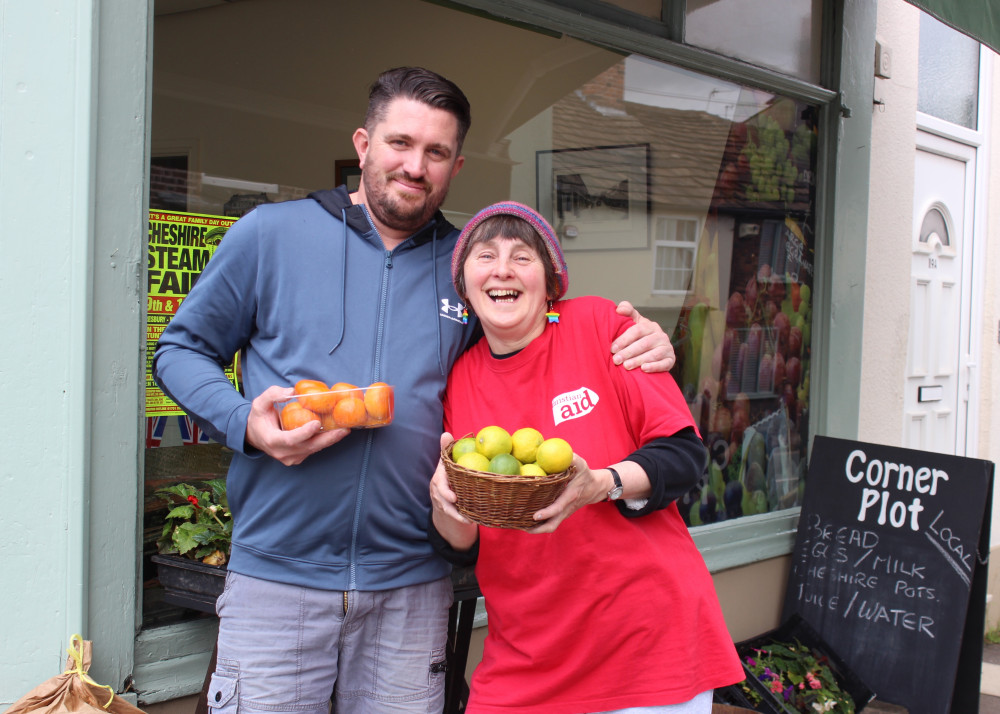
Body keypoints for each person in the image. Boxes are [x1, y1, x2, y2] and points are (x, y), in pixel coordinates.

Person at [153, 67, 676, 714]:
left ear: (456, 166)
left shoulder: (473, 267)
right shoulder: (271, 234)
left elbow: (545, 344)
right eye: (400, 143)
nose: (414, 166)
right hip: (278, 578)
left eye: (435, 152)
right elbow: (179, 350)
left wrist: (635, 340)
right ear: (364, 143)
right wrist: (242, 422)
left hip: (414, 587)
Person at [429, 201, 744, 714]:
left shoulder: (603, 326)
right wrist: (446, 505)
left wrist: (602, 483)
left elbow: (683, 456)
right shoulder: (458, 379)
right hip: (526, 655)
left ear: (552, 282)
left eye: (522, 257)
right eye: (484, 256)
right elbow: (464, 545)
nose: (502, 270)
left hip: (644, 646)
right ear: (463, 285)